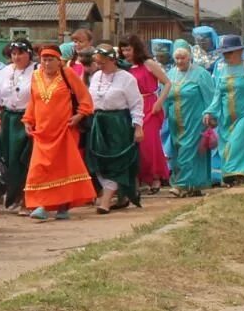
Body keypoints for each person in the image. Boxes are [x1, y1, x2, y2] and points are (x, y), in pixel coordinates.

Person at [22, 46, 96, 220]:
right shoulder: (36, 76)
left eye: (50, 60)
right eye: (44, 59)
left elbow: (85, 98)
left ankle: (63, 206)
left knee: (64, 169)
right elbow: (33, 100)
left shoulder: (68, 74)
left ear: (58, 61)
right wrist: (28, 120)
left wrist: (79, 116)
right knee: (40, 168)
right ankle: (42, 204)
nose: (46, 63)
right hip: (42, 132)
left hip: (64, 130)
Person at [85, 48, 144, 211]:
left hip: (119, 123)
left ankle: (106, 201)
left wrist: (138, 127)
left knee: (117, 162)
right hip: (99, 122)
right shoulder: (96, 76)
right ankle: (117, 196)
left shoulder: (127, 79)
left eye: (102, 62)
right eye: (97, 62)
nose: (99, 66)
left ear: (112, 60)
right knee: (99, 160)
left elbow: (136, 104)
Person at [205, 35, 244, 187]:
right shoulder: (221, 68)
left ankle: (233, 174)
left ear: (239, 51)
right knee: (227, 147)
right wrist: (210, 112)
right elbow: (218, 94)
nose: (226, 56)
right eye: (224, 53)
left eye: (230, 53)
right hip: (226, 118)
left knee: (236, 144)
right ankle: (240, 177)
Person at [162, 41, 217, 196]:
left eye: (183, 58)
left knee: (188, 150)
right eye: (177, 58)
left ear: (190, 57)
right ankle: (193, 185)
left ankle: (181, 184)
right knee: (177, 150)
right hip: (175, 121)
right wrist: (162, 115)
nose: (180, 61)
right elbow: (165, 97)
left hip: (195, 120)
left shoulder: (201, 74)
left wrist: (211, 114)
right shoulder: (170, 74)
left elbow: (210, 96)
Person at [0, 40, 35, 213]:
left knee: (24, 159)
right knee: (7, 159)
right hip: (7, 119)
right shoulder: (5, 72)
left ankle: (26, 198)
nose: (17, 57)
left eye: (20, 53)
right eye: (13, 53)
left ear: (29, 53)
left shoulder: (37, 71)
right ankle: (12, 196)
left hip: (27, 119)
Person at [118, 35, 171, 193]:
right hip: (131, 107)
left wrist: (159, 102)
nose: (126, 53)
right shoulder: (123, 67)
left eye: (129, 49)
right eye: (123, 50)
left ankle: (156, 177)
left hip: (149, 105)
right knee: (136, 145)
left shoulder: (148, 64)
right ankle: (141, 178)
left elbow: (167, 82)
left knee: (149, 144)